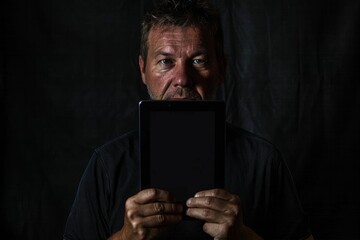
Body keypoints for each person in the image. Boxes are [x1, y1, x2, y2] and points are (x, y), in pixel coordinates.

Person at [64, 0, 314, 239]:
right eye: (166, 61)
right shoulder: (107, 165)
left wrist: (243, 237)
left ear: (221, 69)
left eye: (198, 60)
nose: (183, 78)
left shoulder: (263, 162)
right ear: (143, 70)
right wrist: (126, 237)